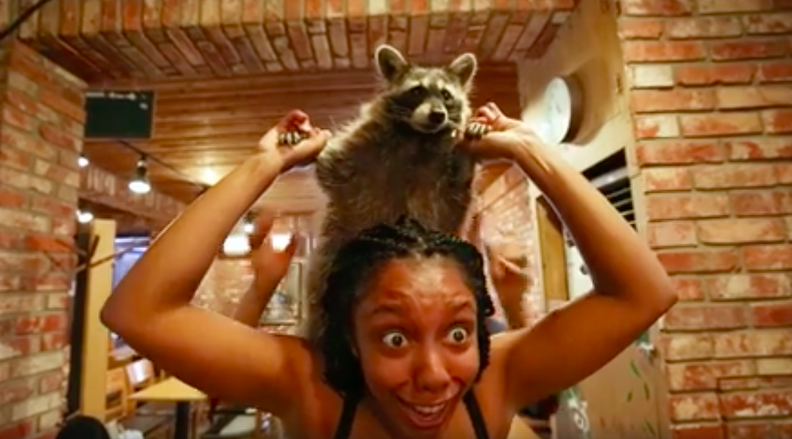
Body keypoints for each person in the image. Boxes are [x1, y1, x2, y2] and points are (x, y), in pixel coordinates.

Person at [101, 103, 677, 439]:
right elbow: (138, 311)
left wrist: (531, 150)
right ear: (350, 341)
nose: (432, 375)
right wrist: (265, 164)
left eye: (457, 333)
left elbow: (644, 292)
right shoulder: (312, 390)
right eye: (394, 336)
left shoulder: (497, 379)